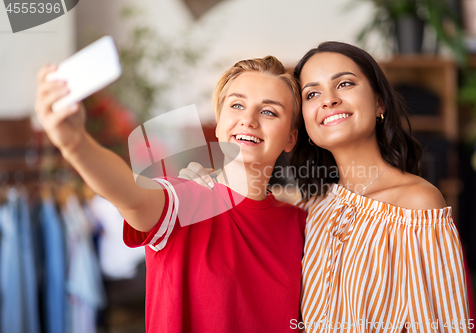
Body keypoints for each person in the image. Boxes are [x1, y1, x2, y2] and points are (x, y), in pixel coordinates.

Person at [182, 42, 470, 332]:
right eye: (312, 93)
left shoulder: (417, 205)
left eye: (344, 83)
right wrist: (206, 181)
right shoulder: (312, 207)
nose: (328, 100)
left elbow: (447, 324)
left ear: (380, 101)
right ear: (303, 121)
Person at [34, 56, 307, 333]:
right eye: (237, 105)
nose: (248, 120)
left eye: (269, 112)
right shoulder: (186, 199)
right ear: (219, 121)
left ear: (290, 138)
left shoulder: (301, 223)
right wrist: (75, 144)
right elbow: (131, 194)